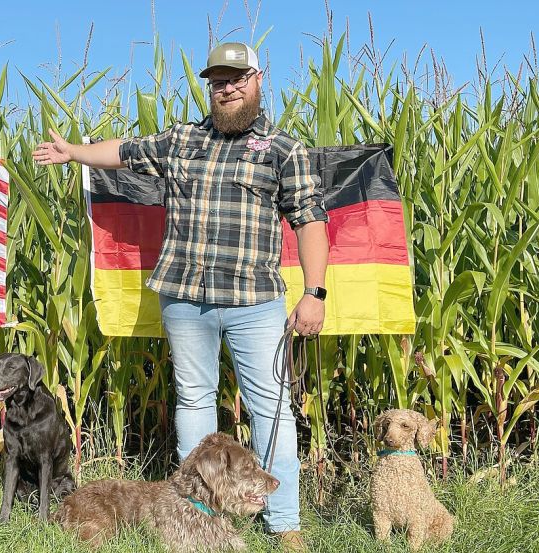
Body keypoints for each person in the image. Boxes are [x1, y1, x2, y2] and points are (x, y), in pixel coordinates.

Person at [33, 42, 328, 551]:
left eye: (237, 79)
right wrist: (74, 153)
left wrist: (315, 292)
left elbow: (310, 222)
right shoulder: (183, 139)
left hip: (254, 299)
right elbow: (124, 151)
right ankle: (199, 520)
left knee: (271, 407)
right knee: (194, 401)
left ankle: (285, 524)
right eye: (218, 81)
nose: (227, 88)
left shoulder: (285, 150)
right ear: (209, 87)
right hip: (185, 299)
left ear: (258, 79)